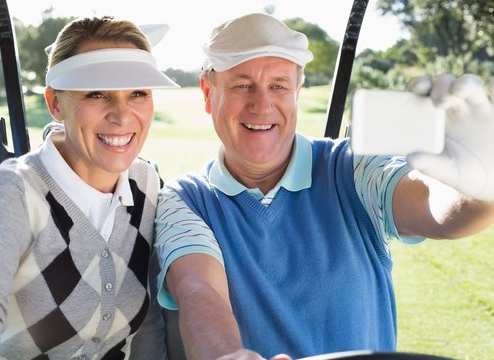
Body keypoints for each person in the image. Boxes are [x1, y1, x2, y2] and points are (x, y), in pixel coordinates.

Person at [153, 12, 494, 360]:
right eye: (242, 85)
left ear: (297, 92)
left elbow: (428, 207)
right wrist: (227, 356)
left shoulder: (352, 166)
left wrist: (478, 195)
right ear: (209, 93)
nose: (262, 104)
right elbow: (198, 290)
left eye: (279, 86)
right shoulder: (184, 200)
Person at [0, 16, 179, 359]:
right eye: (97, 93)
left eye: (137, 93)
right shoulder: (9, 192)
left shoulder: (146, 183)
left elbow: (148, 324)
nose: (121, 115)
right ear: (56, 103)